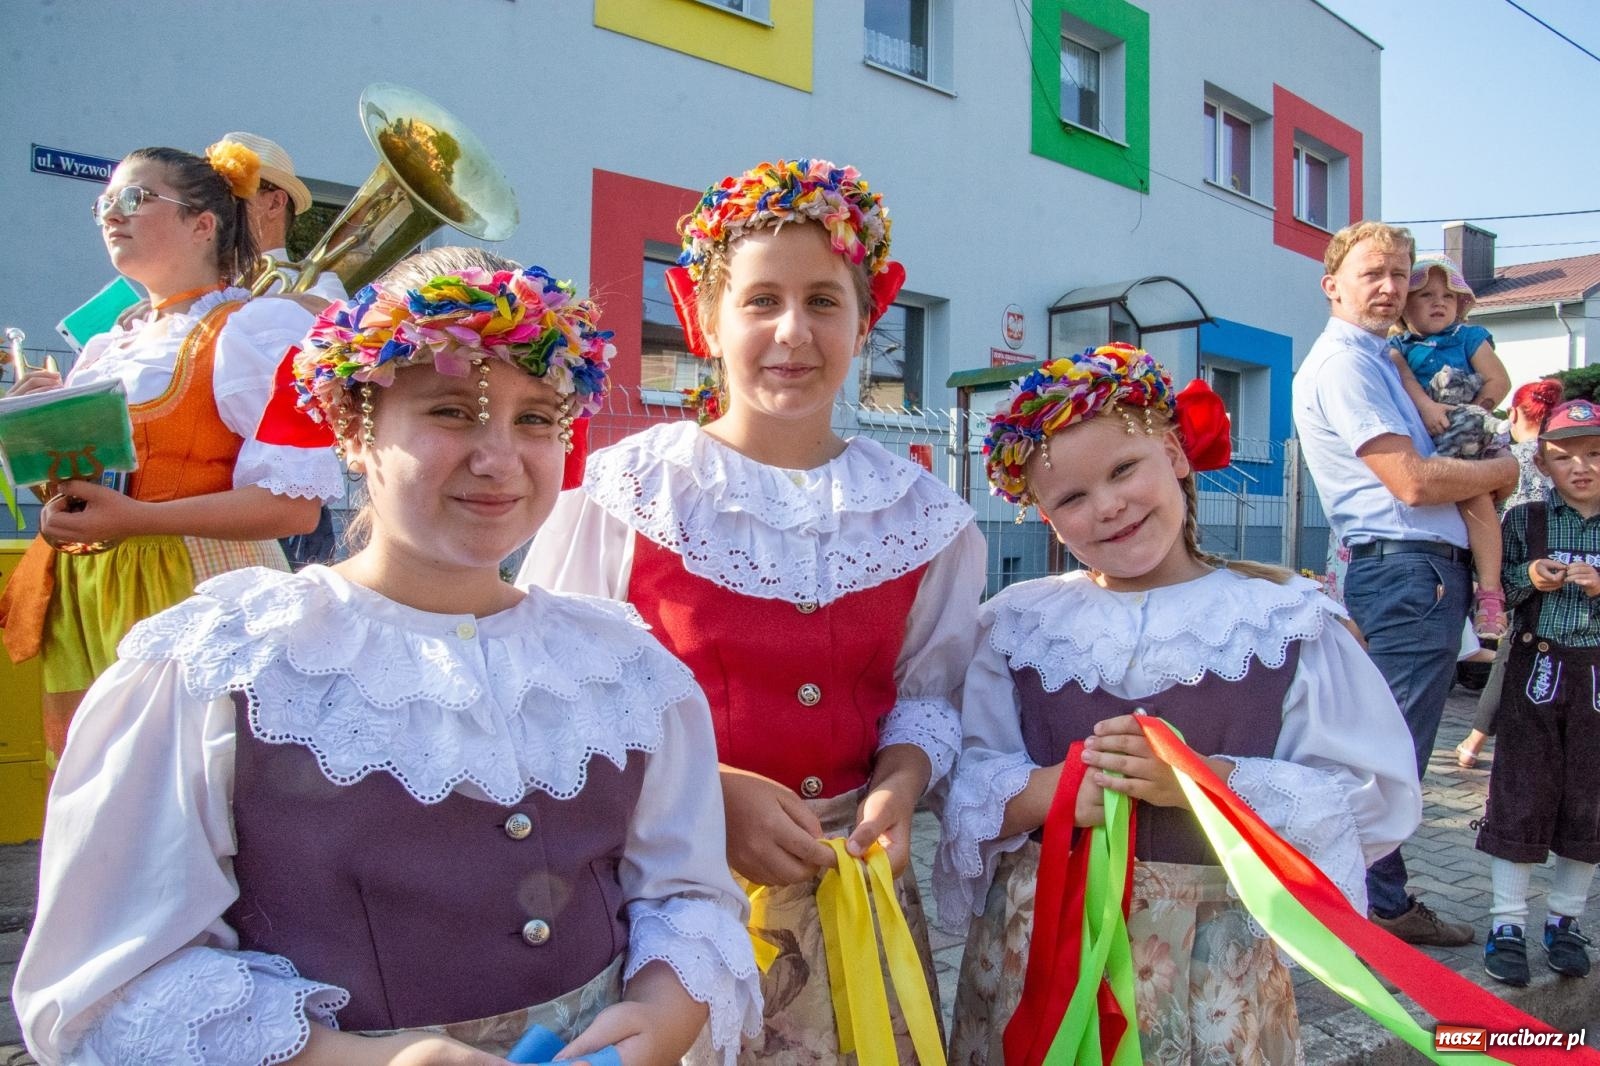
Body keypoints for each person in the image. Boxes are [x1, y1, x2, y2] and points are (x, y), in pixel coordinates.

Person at [13, 246, 762, 1065]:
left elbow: (686, 897)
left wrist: (664, 1014)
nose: (499, 457)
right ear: (352, 430)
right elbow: (112, 983)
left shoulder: (622, 667)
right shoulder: (225, 668)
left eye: (536, 419)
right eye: (450, 410)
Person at [521, 158, 985, 1063]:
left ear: (864, 321)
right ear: (704, 317)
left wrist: (899, 784)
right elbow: (557, 700)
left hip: (851, 899)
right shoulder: (629, 491)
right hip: (666, 889)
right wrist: (711, 789)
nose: (792, 332)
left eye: (823, 301)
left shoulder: (922, 516)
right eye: (761, 299)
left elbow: (928, 694)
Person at [934, 343, 1421, 1063]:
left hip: (1212, 957)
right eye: (1071, 497)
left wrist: (1207, 784)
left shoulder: (1283, 621)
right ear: (1045, 518)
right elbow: (963, 781)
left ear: (1175, 454)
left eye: (1125, 469)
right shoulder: (1016, 627)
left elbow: (1370, 800)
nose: (1108, 506)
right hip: (1040, 951)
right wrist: (1051, 792)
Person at [0, 143, 341, 762]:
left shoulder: (252, 330)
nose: (111, 213)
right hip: (89, 592)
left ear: (202, 224)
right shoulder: (108, 346)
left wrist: (139, 520)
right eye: (104, 202)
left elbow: (294, 510)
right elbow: (83, 486)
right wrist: (47, 476)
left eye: (135, 198)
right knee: (96, 780)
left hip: (196, 587)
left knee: (188, 785)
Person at [1292, 220, 1518, 945]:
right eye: (1373, 273)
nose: (1390, 288)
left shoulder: (1382, 361)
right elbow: (1414, 483)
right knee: (1390, 754)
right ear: (1332, 286)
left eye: (1400, 274)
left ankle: (1367, 893)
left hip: (1408, 573)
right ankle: (1373, 903)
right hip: (1406, 571)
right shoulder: (1347, 365)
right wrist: (1502, 472)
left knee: (1385, 747)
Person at [1476, 397, 1600, 987]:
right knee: (1521, 793)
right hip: (1535, 674)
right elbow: (1497, 590)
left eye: (1596, 453)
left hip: (1597, 683)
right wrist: (1527, 578)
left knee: (1591, 800)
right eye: (1565, 455)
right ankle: (1506, 925)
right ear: (1544, 464)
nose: (1582, 466)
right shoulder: (1524, 519)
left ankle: (1566, 921)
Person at [208, 131, 348, 569]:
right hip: (201, 499)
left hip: (280, 500)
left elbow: (331, 345)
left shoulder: (316, 285)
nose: (212, 211)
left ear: (274, 202)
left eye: (230, 196)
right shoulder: (197, 287)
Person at [1387, 255, 1513, 639]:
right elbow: (1405, 383)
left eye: (1448, 295)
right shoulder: (1397, 348)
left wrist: (1474, 412)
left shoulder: (1468, 338)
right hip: (1426, 440)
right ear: (1405, 306)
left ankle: (1490, 593)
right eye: (1425, 295)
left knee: (1476, 499)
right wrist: (1426, 407)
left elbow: (1498, 380)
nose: (1438, 302)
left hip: (1467, 433)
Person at [1455, 377, 1562, 768]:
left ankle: (1476, 740)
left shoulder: (1506, 456)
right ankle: (1483, 740)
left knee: (1513, 651)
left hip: (1508, 563)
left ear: (1515, 413)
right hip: (1564, 565)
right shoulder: (1561, 454)